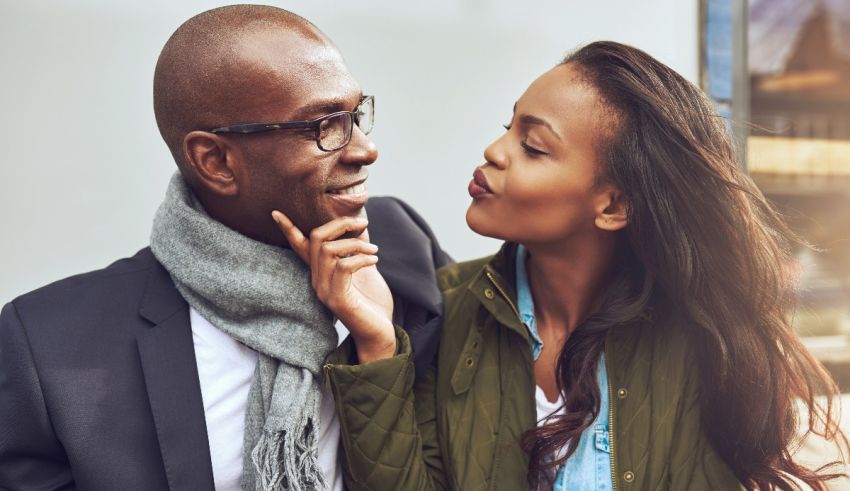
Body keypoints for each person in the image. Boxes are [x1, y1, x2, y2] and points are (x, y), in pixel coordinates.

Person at [275, 41, 847, 490]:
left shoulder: (698, 337)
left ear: (614, 205)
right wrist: (377, 345)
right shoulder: (440, 313)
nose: (494, 153)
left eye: (534, 146)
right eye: (509, 127)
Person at [0, 5, 450, 490]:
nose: (364, 149)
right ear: (215, 161)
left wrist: (377, 347)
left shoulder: (403, 252)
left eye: (356, 114)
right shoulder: (53, 347)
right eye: (323, 126)